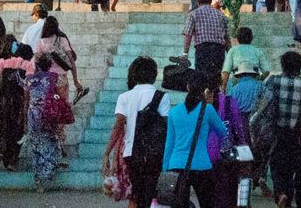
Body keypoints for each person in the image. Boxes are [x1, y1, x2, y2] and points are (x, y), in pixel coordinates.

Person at [102, 56, 169, 208]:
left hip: (132, 153)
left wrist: (107, 152)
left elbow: (118, 126)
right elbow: (166, 125)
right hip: (155, 153)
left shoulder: (124, 97)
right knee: (153, 194)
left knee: (137, 195)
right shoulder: (162, 96)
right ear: (153, 74)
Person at [162, 71, 227, 208]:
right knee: (207, 203)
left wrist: (165, 168)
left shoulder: (174, 112)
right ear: (204, 89)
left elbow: (169, 144)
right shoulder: (207, 109)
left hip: (176, 164)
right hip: (201, 165)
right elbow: (222, 131)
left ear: (187, 87)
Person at [260, 51, 301, 208]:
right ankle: (288, 197)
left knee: (276, 164)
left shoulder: (273, 80)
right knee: (290, 166)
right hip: (294, 132)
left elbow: (263, 102)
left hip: (275, 130)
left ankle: (280, 194)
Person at [206, 72, 247, 208]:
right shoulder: (229, 101)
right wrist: (242, 145)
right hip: (226, 155)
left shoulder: (200, 104)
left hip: (204, 155)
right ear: (220, 83)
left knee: (209, 194)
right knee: (228, 193)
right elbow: (238, 128)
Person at [0, 43, 35, 170]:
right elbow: (30, 83)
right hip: (20, 102)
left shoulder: (5, 62)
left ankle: (2, 152)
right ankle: (13, 161)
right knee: (18, 130)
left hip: (5, 100)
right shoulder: (28, 65)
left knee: (5, 128)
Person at [26, 54, 63, 191]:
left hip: (33, 115)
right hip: (49, 114)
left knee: (36, 146)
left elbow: (26, 100)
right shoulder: (54, 77)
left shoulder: (29, 79)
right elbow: (57, 95)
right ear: (49, 64)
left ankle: (38, 181)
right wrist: (57, 100)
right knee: (51, 142)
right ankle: (49, 174)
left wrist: (25, 118)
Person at [177, 0, 232, 82]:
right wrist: (230, 53)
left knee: (201, 76)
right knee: (216, 78)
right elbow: (226, 37)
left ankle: (202, 94)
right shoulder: (221, 15)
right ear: (211, 1)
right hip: (219, 50)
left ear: (197, 2)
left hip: (203, 49)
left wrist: (185, 53)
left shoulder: (193, 14)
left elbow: (188, 35)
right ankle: (215, 95)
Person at [35, 15, 86, 103]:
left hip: (47, 80)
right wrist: (76, 82)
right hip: (62, 79)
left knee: (49, 107)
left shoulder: (40, 43)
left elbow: (35, 63)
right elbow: (71, 61)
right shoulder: (62, 40)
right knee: (62, 107)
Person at [222, 26, 271, 91]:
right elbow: (266, 71)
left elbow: (226, 72)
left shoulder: (233, 51)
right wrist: (259, 80)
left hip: (238, 85)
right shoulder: (257, 51)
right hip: (254, 85)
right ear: (251, 38)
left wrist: (224, 88)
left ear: (237, 39)